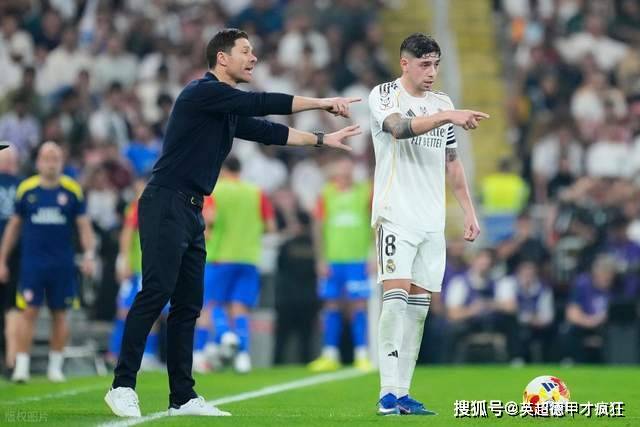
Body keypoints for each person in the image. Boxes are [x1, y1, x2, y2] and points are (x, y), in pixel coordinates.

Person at [105, 28, 360, 418]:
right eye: (245, 51)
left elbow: (269, 131)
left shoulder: (223, 110)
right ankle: (122, 385)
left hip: (192, 209)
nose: (253, 58)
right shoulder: (201, 92)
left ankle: (182, 397)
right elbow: (261, 103)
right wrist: (322, 102)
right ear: (222, 58)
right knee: (155, 292)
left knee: (189, 305)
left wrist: (322, 140)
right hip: (165, 201)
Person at [368, 33, 488, 416]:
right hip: (395, 214)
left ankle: (403, 393)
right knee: (395, 300)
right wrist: (447, 116)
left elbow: (451, 161)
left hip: (431, 221)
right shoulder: (384, 95)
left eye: (436, 64)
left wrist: (468, 210)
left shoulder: (442, 103)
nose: (432, 71)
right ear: (405, 63)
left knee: (419, 310)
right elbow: (398, 128)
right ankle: (386, 394)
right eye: (424, 64)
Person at [0, 141, 96, 383]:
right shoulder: (27, 189)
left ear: (61, 162)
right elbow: (13, 226)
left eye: (55, 158)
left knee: (60, 313)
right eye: (47, 158)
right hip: (32, 263)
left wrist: (89, 254)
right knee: (28, 311)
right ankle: (22, 366)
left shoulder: (72, 190)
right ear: (38, 162)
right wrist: (2, 258)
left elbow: (84, 226)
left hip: (62, 263)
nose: (51, 163)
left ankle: (55, 366)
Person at [193, 156, 275, 374]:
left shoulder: (214, 191)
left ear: (222, 169)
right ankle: (243, 356)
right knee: (240, 307)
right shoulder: (256, 192)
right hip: (249, 258)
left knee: (210, 304)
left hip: (220, 256)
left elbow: (208, 220)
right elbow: (270, 226)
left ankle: (213, 343)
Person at [308, 154, 373, 372]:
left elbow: (377, 223)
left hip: (358, 259)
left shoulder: (365, 192)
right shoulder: (326, 193)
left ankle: (361, 354)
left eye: (348, 169)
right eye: (341, 170)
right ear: (335, 171)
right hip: (333, 260)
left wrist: (374, 254)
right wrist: (321, 259)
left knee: (358, 305)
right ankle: (330, 354)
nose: (345, 174)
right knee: (331, 304)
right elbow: (318, 227)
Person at [109, 177, 165, 371]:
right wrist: (123, 260)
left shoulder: (151, 204)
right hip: (138, 268)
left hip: (147, 267)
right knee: (129, 310)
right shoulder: (139, 206)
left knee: (150, 312)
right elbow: (127, 234)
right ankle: (119, 353)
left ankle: (143, 354)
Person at [0, 146, 20, 375]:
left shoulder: (23, 185)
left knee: (13, 308)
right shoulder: (23, 185)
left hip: (17, 255)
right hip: (14, 254)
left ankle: (11, 360)